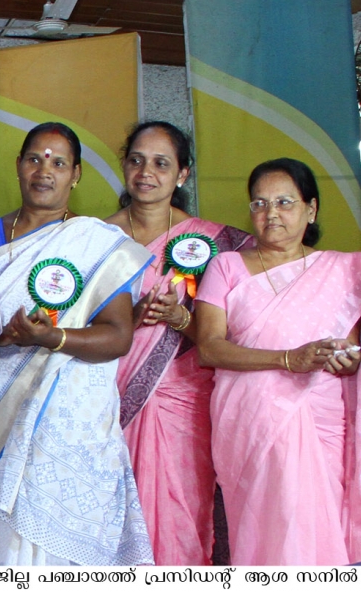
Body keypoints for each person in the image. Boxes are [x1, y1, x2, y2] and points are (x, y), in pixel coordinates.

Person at [0, 122, 154, 566]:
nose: (44, 170)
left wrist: (52, 337)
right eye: (34, 158)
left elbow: (118, 335)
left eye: (58, 162)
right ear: (17, 166)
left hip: (66, 428)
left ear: (76, 174)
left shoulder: (98, 244)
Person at [194, 158, 361, 565]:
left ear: (312, 209)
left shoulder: (343, 270)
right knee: (263, 536)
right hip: (250, 423)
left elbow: (352, 348)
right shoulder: (226, 266)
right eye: (259, 204)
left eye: (285, 202)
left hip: (318, 420)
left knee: (316, 531)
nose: (271, 214)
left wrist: (350, 360)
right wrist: (288, 359)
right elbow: (209, 347)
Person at [103, 122, 251, 565]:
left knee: (181, 518)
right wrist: (127, 319)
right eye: (137, 160)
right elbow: (72, 320)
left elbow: (234, 336)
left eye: (161, 163)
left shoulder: (217, 244)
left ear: (182, 174)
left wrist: (179, 317)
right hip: (105, 401)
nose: (146, 172)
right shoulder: (93, 236)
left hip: (184, 404)